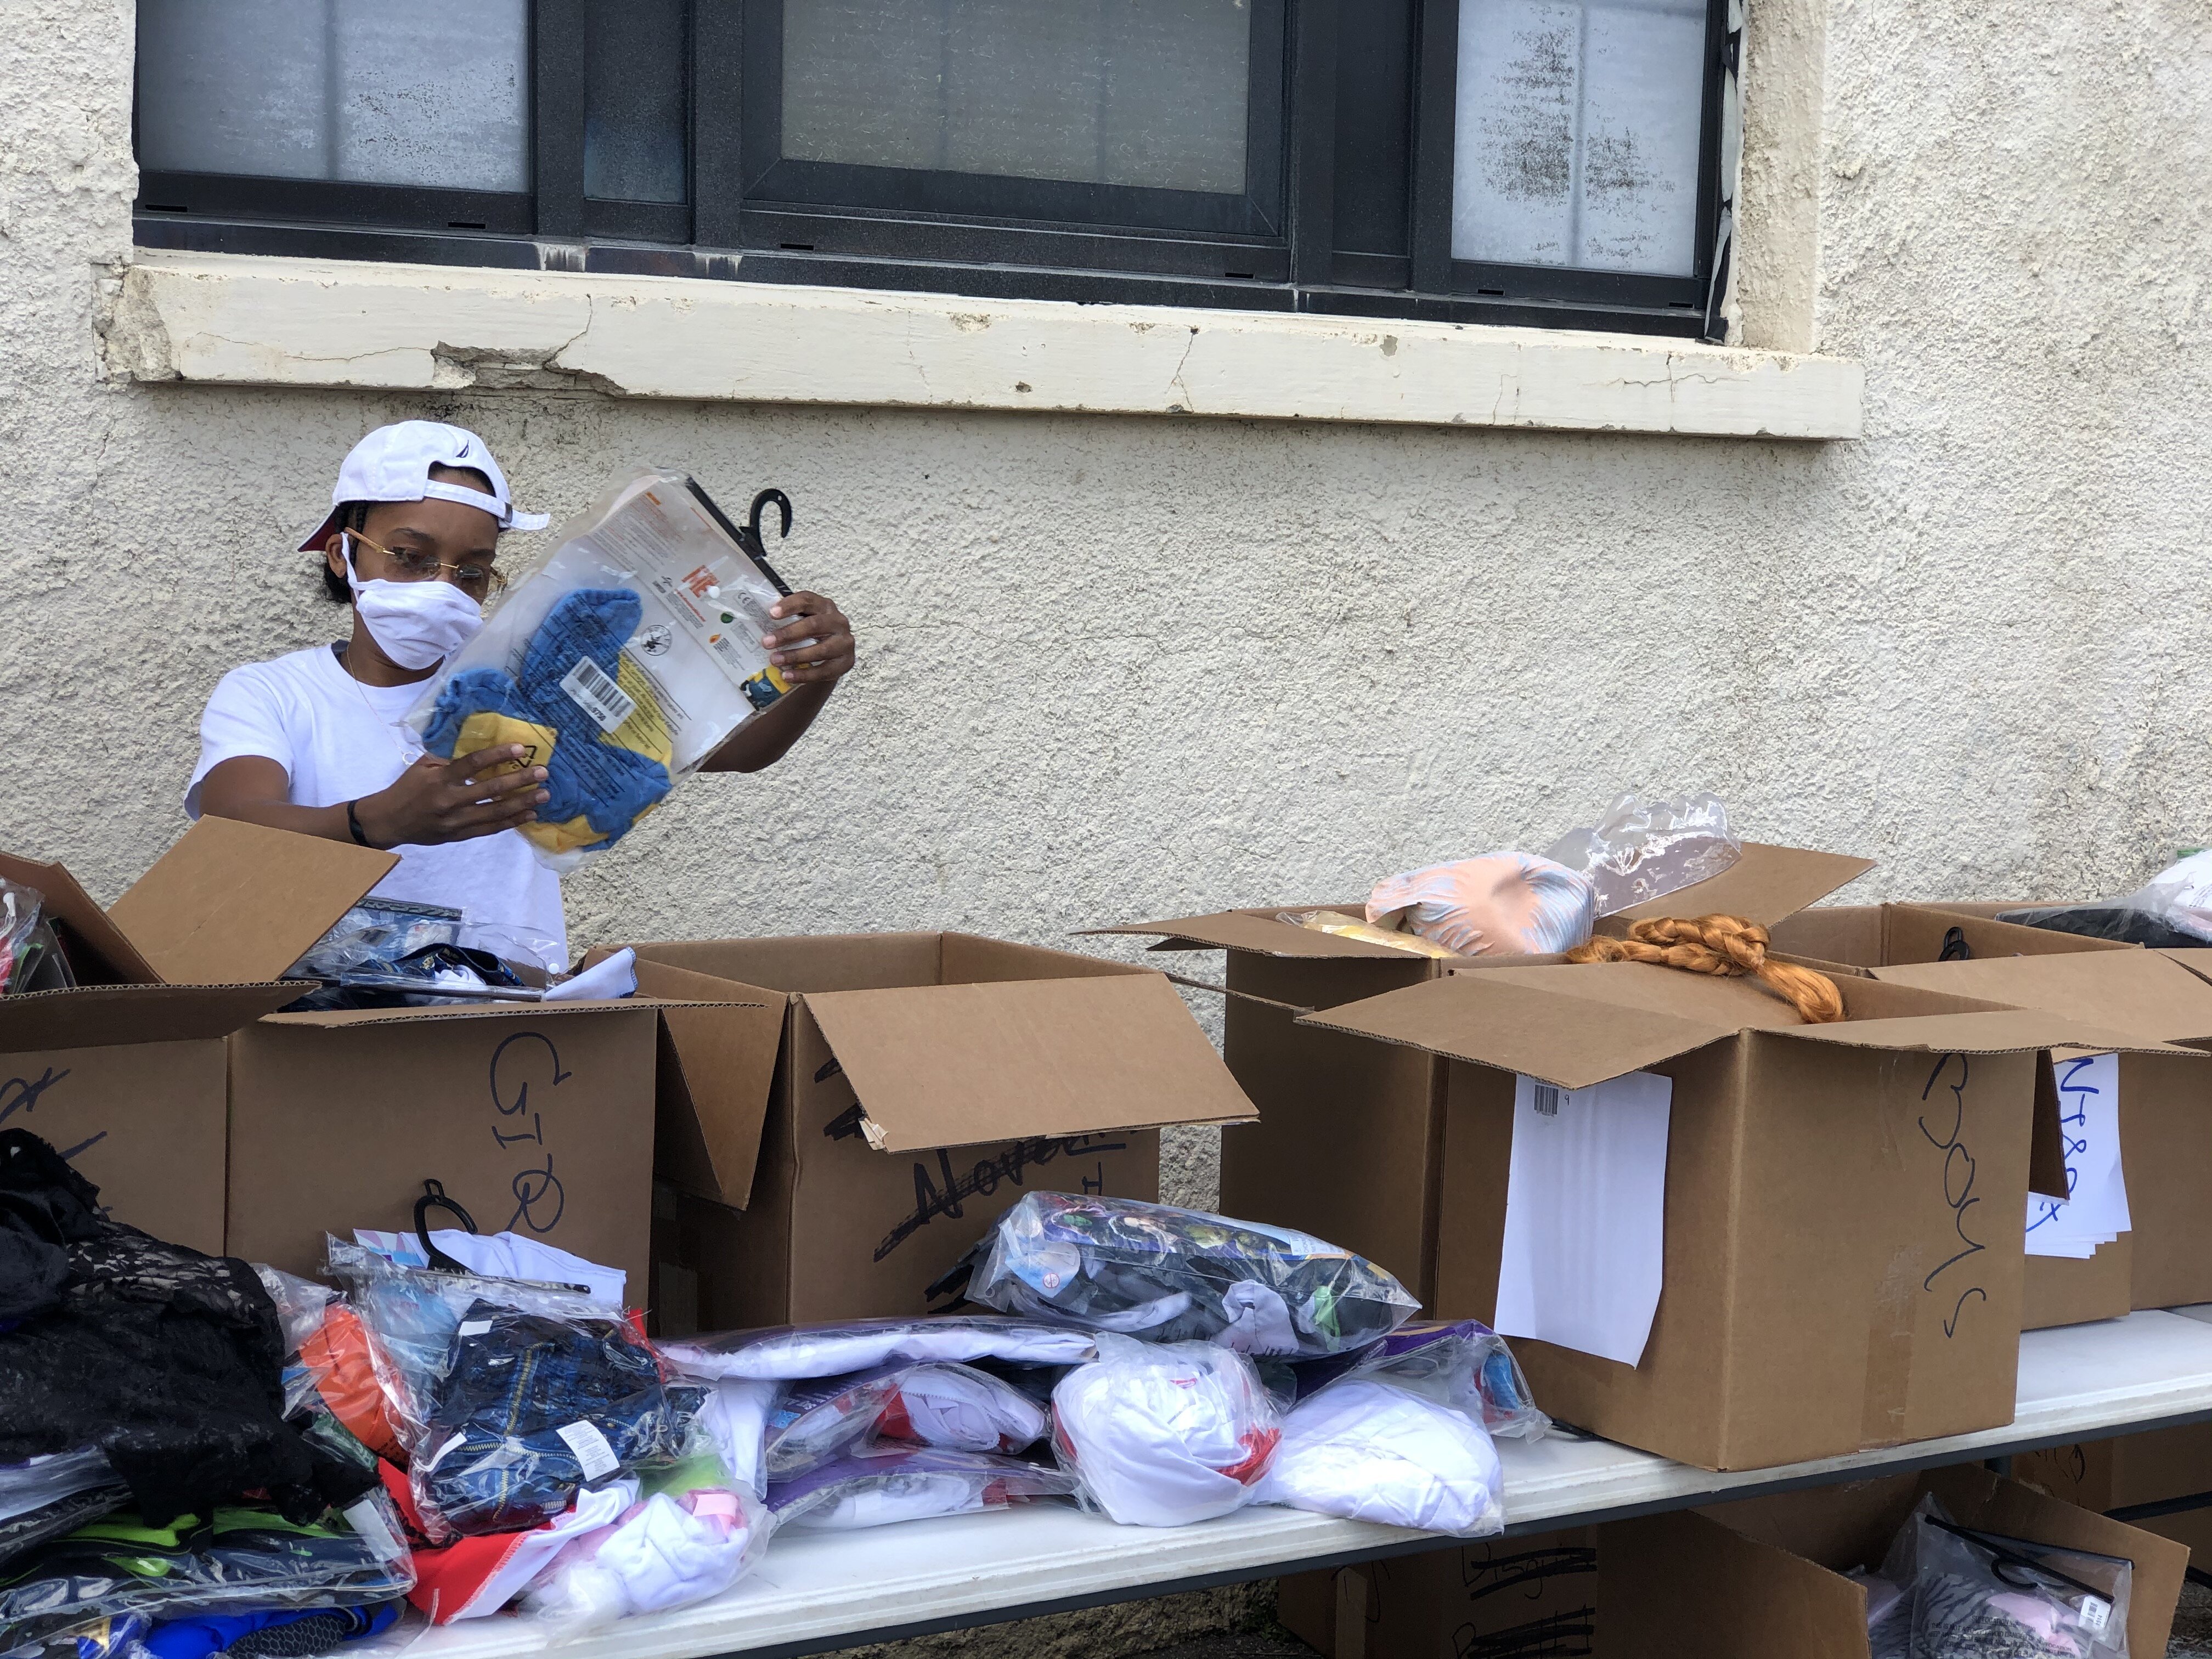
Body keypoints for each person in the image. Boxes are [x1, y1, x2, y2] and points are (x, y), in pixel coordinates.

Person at [189, 421, 856, 968]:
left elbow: (737, 750)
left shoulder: (521, 668)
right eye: (410, 557)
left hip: (509, 1025)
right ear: (342, 554)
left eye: (472, 572)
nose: (443, 587)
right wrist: (377, 823)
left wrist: (811, 673)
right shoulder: (274, 693)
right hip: (323, 1021)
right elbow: (231, 826)